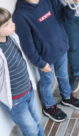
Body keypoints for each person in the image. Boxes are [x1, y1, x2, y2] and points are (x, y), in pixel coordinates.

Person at [9, 0, 79, 123]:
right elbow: (27, 44)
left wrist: (72, 5)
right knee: (47, 82)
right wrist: (40, 63)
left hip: (61, 48)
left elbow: (63, 16)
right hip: (44, 57)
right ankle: (49, 106)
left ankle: (67, 97)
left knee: (63, 75)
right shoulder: (20, 15)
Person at [0, 7, 45, 135]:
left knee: (37, 121)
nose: (13, 25)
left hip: (28, 91)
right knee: (30, 128)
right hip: (15, 100)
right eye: (7, 24)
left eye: (11, 21)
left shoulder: (12, 37)